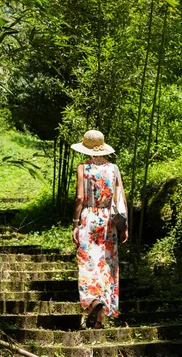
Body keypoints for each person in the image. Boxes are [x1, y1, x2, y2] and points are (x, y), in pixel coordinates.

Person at [71, 130, 128, 329]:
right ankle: (98, 319)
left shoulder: (83, 168)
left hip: (88, 219)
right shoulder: (113, 168)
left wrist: (75, 223)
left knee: (88, 263)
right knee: (106, 264)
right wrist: (124, 227)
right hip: (109, 221)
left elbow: (79, 198)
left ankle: (93, 302)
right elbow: (120, 198)